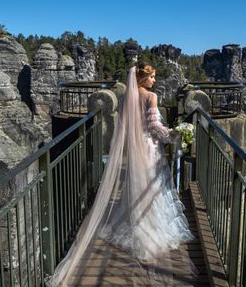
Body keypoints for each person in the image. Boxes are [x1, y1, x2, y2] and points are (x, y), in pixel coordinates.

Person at [49, 63, 194, 286]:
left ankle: (136, 224)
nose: (154, 80)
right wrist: (175, 134)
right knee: (152, 189)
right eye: (152, 77)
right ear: (143, 78)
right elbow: (154, 128)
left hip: (133, 148)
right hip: (148, 148)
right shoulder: (151, 97)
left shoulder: (127, 96)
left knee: (136, 186)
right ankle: (149, 232)